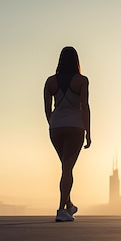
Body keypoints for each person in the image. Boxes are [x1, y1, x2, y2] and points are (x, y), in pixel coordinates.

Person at [44, 46, 91, 222]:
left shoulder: (50, 82)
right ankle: (61, 210)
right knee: (67, 168)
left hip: (56, 127)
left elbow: (47, 108)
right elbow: (85, 106)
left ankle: (69, 206)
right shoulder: (81, 80)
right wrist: (88, 131)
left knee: (66, 168)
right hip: (75, 127)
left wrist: (53, 123)